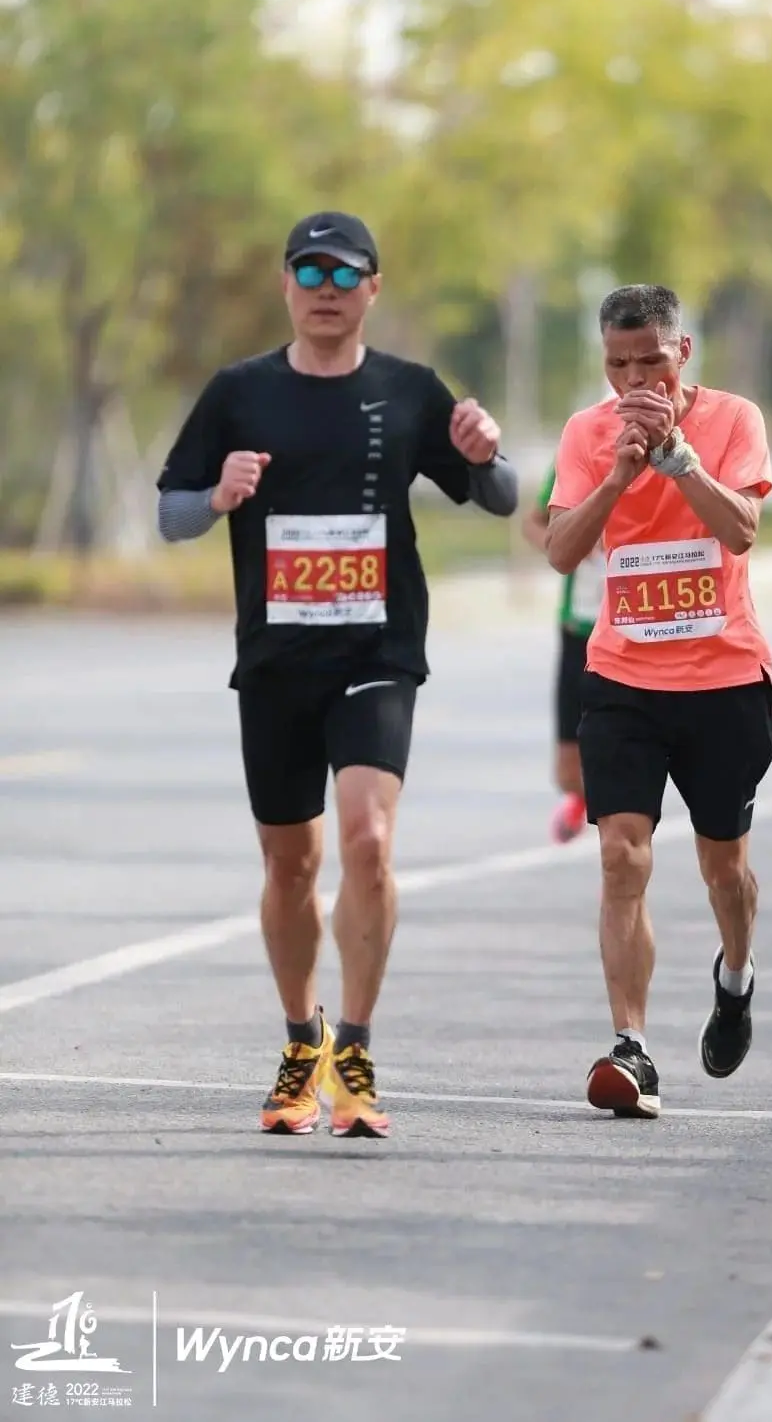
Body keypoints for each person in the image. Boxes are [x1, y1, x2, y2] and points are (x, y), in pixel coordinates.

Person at [156, 210, 518, 1138]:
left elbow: (501, 493)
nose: (325, 289)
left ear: (372, 289)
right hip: (277, 660)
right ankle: (299, 1038)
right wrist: (217, 496)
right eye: (308, 272)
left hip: (376, 651)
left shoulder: (409, 390)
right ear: (286, 285)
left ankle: (354, 1045)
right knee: (292, 862)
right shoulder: (239, 392)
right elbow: (171, 514)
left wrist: (485, 455)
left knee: (367, 840)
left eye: (343, 274)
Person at [545, 284, 772, 1119]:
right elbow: (562, 551)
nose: (634, 379)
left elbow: (744, 528)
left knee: (726, 872)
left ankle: (737, 974)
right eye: (617, 364)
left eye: (649, 360)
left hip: (724, 682)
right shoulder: (586, 432)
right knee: (622, 857)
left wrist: (681, 461)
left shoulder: (733, 418)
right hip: (623, 678)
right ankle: (631, 1048)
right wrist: (616, 476)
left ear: (681, 354)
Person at [522, 458, 607, 843]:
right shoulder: (576, 453)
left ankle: (621, 817)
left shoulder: (659, 453)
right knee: (568, 773)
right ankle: (586, 799)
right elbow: (533, 523)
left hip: (632, 631)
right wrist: (563, 546)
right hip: (579, 627)